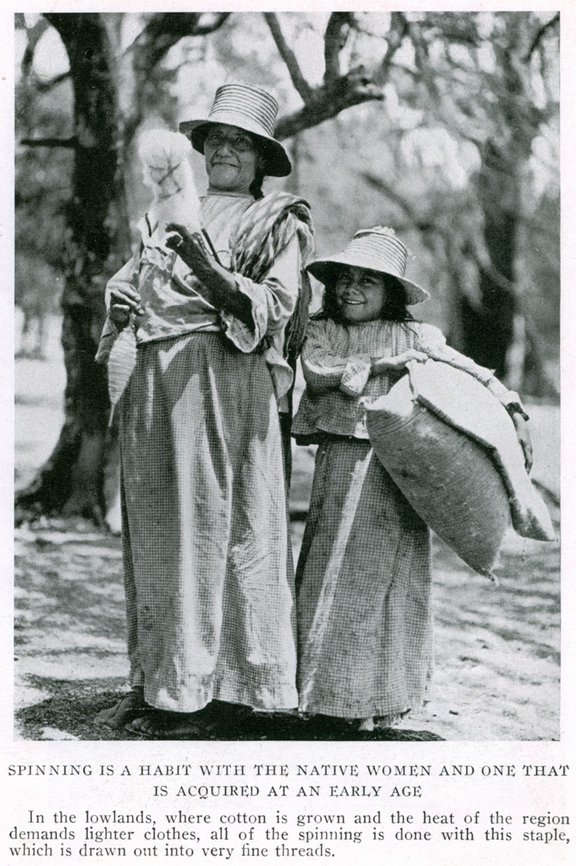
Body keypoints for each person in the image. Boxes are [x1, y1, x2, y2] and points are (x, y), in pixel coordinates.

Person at [95, 82, 314, 739]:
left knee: (220, 529)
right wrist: (121, 300)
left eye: (240, 144)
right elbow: (133, 280)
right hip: (155, 383)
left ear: (260, 159)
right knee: (160, 529)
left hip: (224, 382)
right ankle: (159, 682)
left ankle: (222, 694)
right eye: (216, 140)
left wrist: (205, 262)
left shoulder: (278, 220)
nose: (225, 151)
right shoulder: (166, 210)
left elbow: (274, 306)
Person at [291, 226, 531, 732]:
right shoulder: (323, 330)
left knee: (386, 574)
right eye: (345, 279)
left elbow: (467, 369)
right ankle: (325, 694)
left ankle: (377, 696)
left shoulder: (417, 336)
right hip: (341, 459)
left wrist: (509, 401)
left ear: (393, 292)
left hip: (397, 468)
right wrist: (383, 363)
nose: (351, 290)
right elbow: (317, 372)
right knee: (332, 565)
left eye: (368, 282)